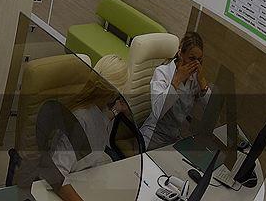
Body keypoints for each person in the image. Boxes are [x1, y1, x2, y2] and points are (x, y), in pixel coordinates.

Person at [43, 55, 131, 201]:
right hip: (69, 181)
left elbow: (100, 122)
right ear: (113, 93)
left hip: (86, 171)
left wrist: (117, 110)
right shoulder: (79, 119)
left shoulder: (100, 106)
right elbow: (56, 174)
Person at [139, 32, 211, 150]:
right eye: (192, 59)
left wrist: (202, 82)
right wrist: (176, 81)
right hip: (154, 135)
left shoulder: (195, 79)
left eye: (199, 60)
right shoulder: (162, 72)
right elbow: (158, 111)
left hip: (174, 137)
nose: (196, 64)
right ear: (180, 53)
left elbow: (211, 111)